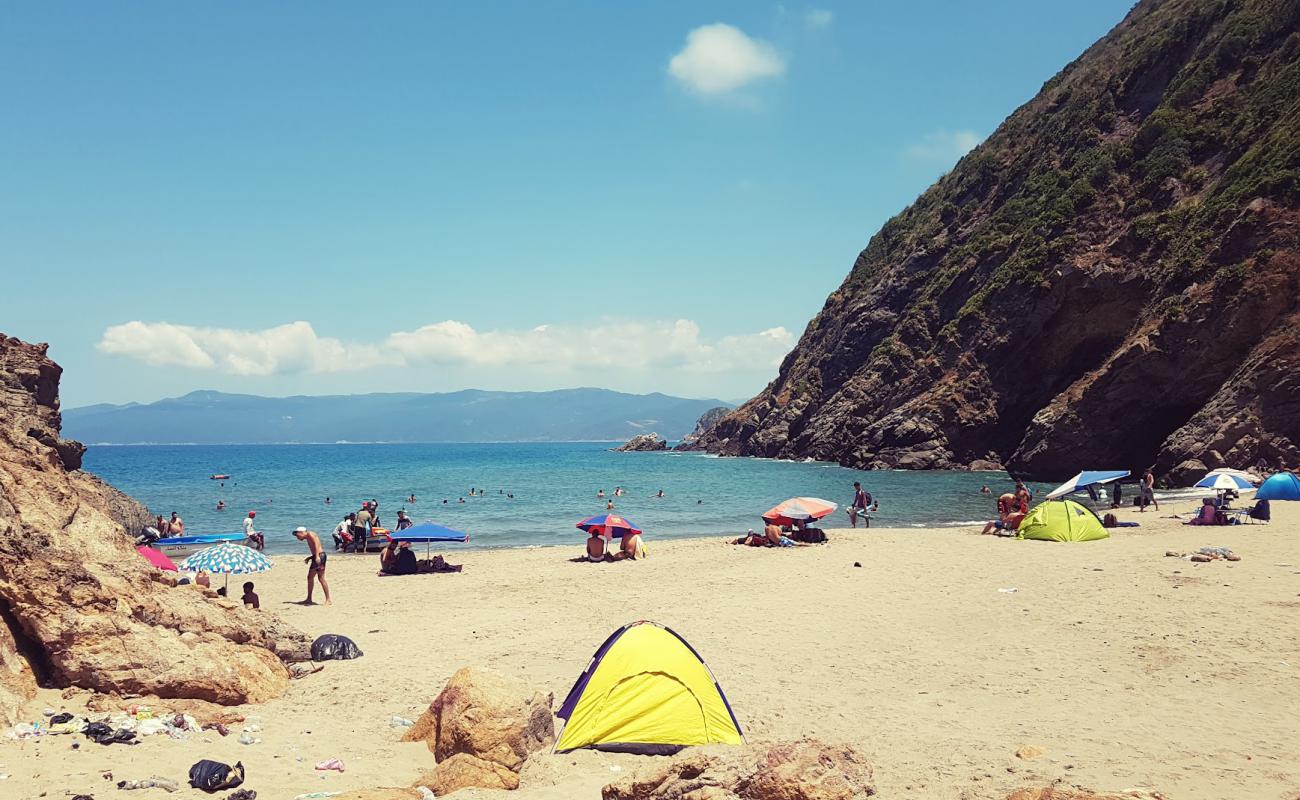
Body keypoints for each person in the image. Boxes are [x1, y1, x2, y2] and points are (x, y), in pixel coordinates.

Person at [294, 527, 331, 605]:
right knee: (310, 577)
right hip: (317, 556)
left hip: (320, 556)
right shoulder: (308, 537)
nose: (297, 538)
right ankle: (309, 598)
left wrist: (317, 556)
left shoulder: (310, 534)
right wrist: (311, 557)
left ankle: (328, 600)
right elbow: (315, 548)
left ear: (301, 532)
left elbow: (316, 545)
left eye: (297, 536)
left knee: (321, 578)